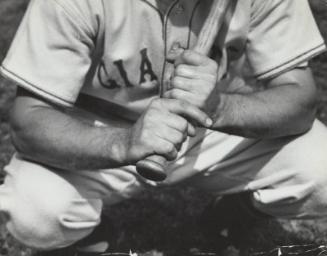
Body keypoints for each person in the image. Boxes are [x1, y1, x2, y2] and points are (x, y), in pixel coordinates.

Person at [0, 0, 327, 254]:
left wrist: (219, 107)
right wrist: (123, 143)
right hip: (101, 131)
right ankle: (91, 239)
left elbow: (300, 100)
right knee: (35, 208)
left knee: (321, 168)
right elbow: (29, 121)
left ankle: (235, 215)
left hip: (214, 127)